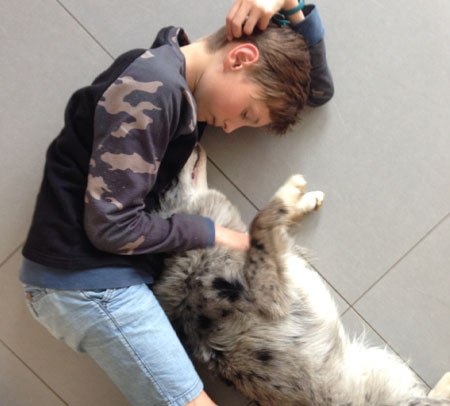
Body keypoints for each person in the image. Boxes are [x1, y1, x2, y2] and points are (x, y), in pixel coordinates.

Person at [19, 0, 333, 405]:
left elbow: (316, 90)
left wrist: (291, 5)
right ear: (239, 57)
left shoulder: (179, 88)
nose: (233, 127)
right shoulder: (151, 88)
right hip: (84, 280)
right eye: (246, 113)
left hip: (98, 279)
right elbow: (112, 226)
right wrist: (217, 234)